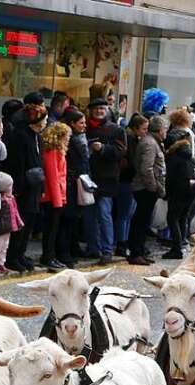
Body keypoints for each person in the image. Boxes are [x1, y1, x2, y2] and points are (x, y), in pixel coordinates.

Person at [2, 93, 47, 271]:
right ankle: (13, 256)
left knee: (29, 222)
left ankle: (20, 254)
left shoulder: (37, 137)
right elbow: (18, 163)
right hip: (24, 186)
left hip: (34, 184)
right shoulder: (22, 135)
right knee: (20, 222)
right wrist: (19, 187)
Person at [86, 96, 126, 264]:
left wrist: (103, 149)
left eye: (102, 109)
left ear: (107, 110)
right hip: (88, 178)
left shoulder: (116, 129)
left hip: (107, 178)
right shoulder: (85, 127)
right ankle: (93, 248)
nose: (99, 111)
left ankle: (107, 251)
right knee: (89, 216)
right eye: (96, 109)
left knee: (104, 214)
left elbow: (121, 152)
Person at [58, 108, 98, 266]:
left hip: (78, 182)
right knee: (68, 220)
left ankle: (71, 248)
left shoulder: (79, 139)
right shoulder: (71, 141)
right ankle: (64, 251)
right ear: (72, 124)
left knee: (74, 219)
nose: (84, 126)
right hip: (72, 183)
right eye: (81, 123)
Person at [128, 115, 166, 265]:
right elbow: (146, 168)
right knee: (140, 220)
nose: (165, 133)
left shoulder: (152, 142)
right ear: (158, 130)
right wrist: (154, 187)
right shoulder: (150, 144)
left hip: (147, 188)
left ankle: (140, 251)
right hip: (145, 188)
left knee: (144, 221)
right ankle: (135, 252)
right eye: (164, 129)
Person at [39, 121, 71, 272]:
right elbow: (52, 177)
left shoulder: (55, 150)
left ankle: (50, 256)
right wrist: (58, 200)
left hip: (57, 194)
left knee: (53, 228)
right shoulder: (52, 152)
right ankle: (48, 256)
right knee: (51, 229)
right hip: (53, 196)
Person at [115, 113, 147, 260]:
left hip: (129, 180)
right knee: (125, 214)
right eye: (143, 129)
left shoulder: (134, 139)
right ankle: (122, 242)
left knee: (127, 214)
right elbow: (133, 161)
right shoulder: (131, 140)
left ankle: (124, 241)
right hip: (127, 180)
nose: (145, 132)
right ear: (135, 128)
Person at [163, 127, 195, 259]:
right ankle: (181, 244)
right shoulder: (187, 154)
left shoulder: (173, 157)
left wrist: (167, 193)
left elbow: (170, 178)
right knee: (182, 218)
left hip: (178, 190)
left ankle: (176, 249)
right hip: (190, 189)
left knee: (172, 218)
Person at [0, 172, 22, 274]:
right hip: (1, 228)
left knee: (5, 246)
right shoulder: (0, 200)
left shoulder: (10, 198)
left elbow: (15, 212)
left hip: (8, 226)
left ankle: (1, 262)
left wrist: (18, 222)